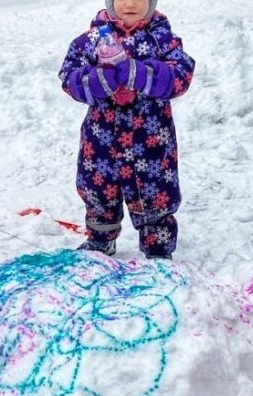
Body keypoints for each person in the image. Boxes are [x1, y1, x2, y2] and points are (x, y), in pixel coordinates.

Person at [58, 0, 195, 260]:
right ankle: (101, 240)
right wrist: (96, 80)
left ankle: (158, 248)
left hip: (151, 139)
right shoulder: (92, 40)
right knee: (98, 191)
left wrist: (142, 74)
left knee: (155, 192)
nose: (131, 3)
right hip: (101, 139)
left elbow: (182, 75)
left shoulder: (162, 40)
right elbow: (69, 75)